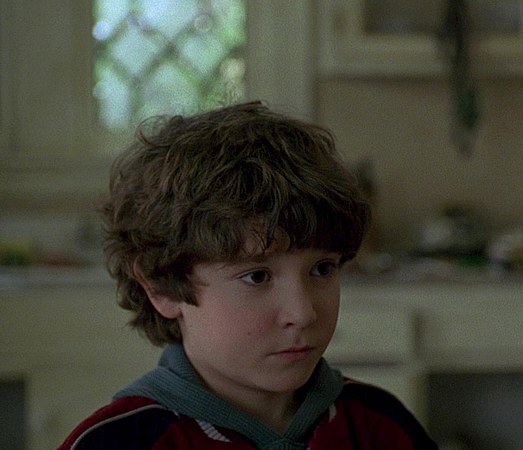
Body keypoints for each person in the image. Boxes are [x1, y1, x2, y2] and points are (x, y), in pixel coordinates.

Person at [59, 101, 437, 449]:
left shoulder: (381, 426)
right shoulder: (117, 442)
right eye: (257, 277)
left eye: (322, 269)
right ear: (162, 287)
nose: (303, 313)